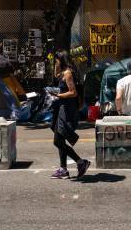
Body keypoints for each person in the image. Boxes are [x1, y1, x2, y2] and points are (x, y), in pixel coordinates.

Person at [49, 50, 90, 179]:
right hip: (62, 108)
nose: (55, 62)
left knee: (58, 141)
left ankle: (81, 162)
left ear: (61, 60)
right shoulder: (63, 72)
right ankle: (63, 169)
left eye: (56, 60)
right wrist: (55, 66)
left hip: (67, 109)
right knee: (59, 139)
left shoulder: (68, 73)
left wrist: (58, 95)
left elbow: (73, 92)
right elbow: (56, 76)